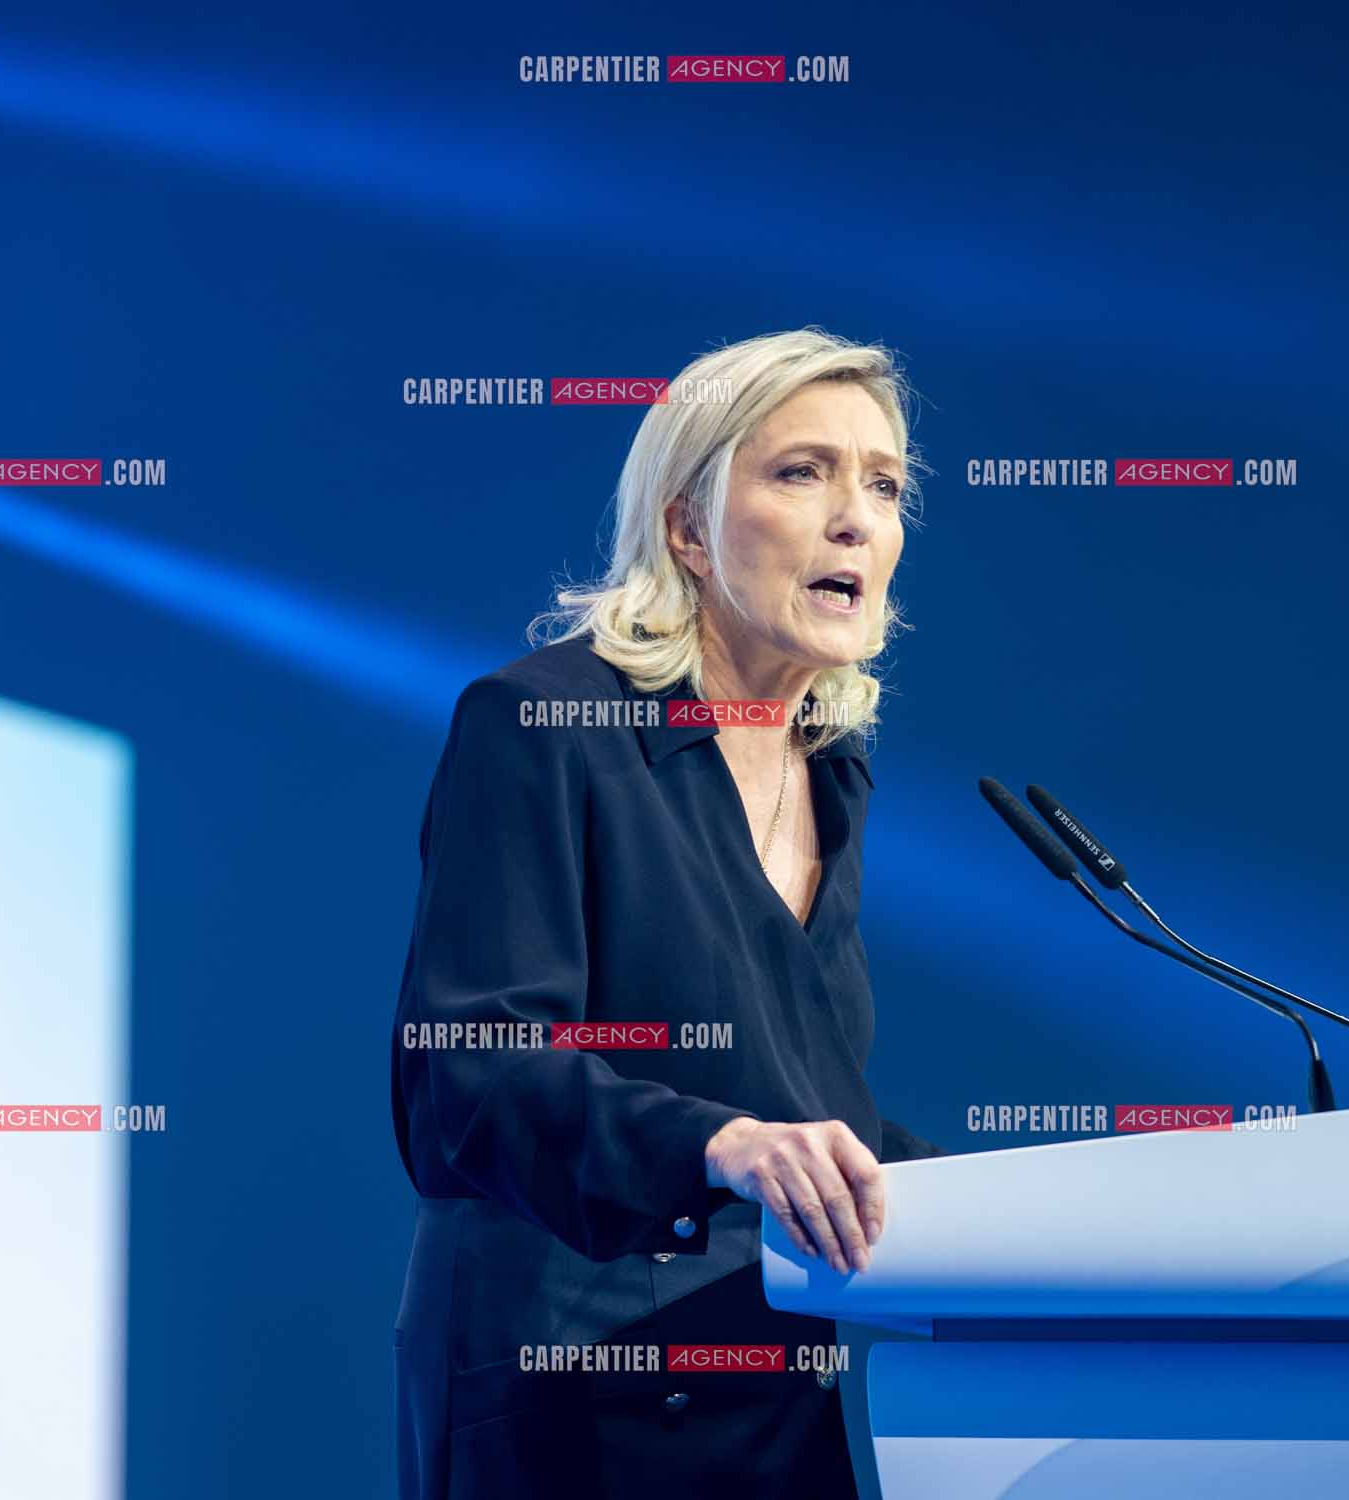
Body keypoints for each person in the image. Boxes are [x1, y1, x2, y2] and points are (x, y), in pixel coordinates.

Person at [391, 328, 942, 1499]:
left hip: (769, 1393)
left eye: (886, 486)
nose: (857, 519)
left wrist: (1038, 1202)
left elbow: (803, 1104)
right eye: (803, 473)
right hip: (569, 1387)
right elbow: (466, 1077)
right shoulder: (543, 724)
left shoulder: (831, 771)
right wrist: (714, 1142)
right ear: (688, 529)